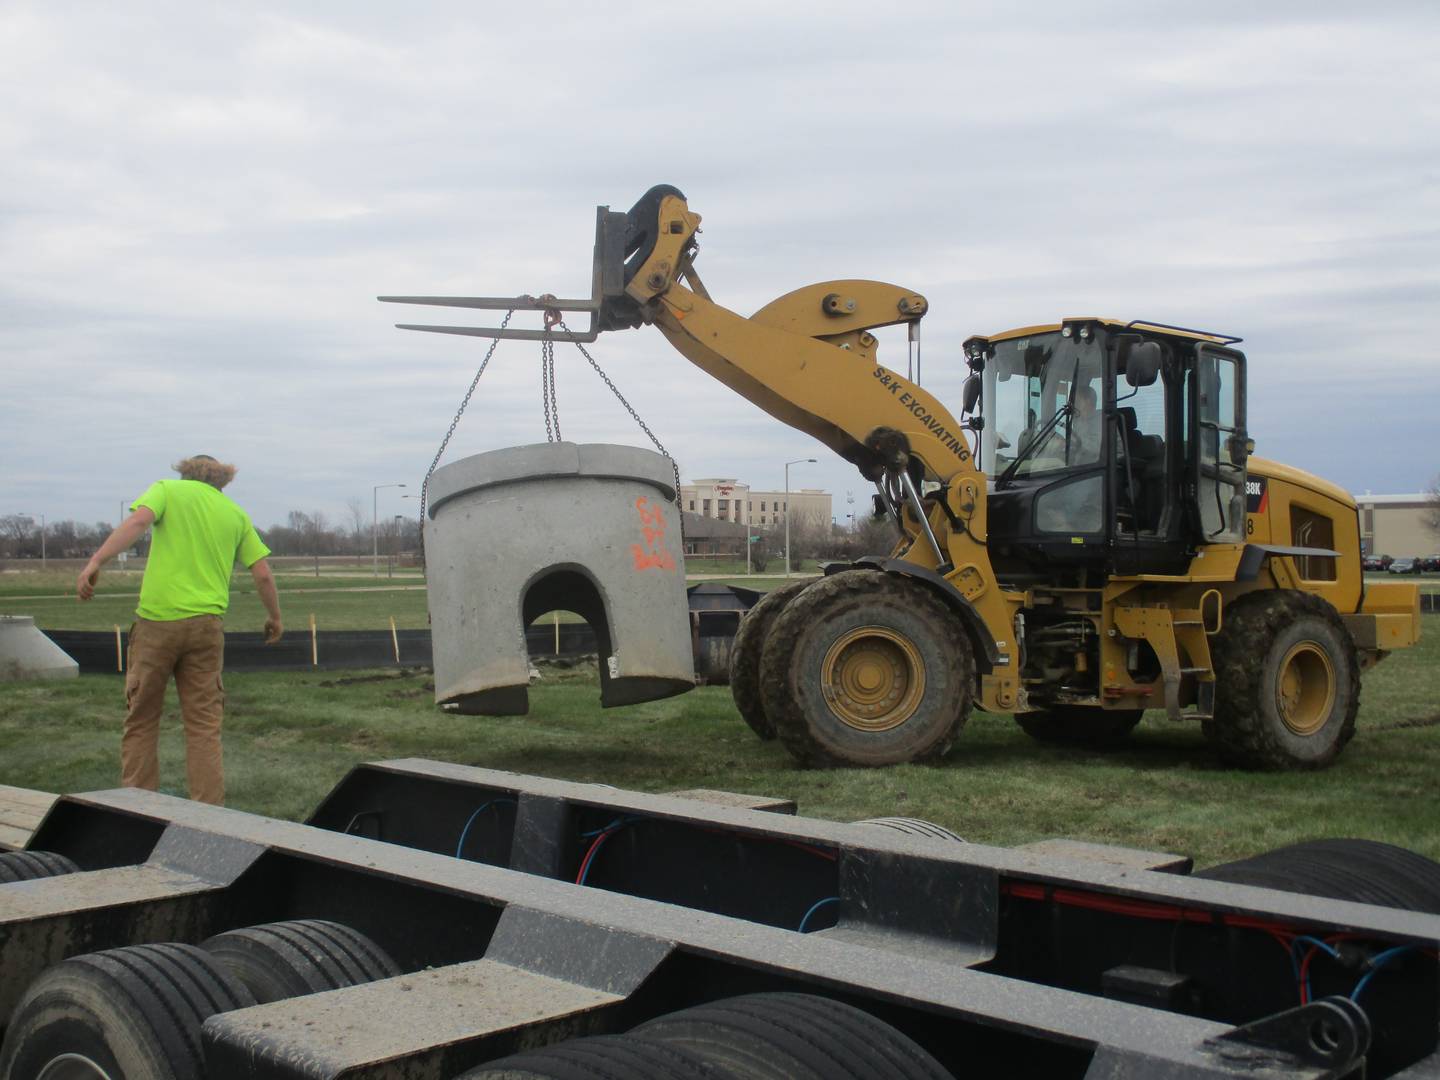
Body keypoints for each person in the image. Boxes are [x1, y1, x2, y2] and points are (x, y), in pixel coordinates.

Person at [77, 455, 282, 805]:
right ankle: (208, 815)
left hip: (157, 624)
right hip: (207, 629)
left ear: (185, 473)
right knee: (204, 727)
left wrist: (96, 561)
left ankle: (138, 809)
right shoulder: (235, 514)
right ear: (223, 481)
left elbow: (138, 522)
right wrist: (274, 617)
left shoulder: (166, 491)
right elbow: (262, 573)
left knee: (142, 720)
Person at [1069, 384, 1102, 464]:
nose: (1074, 405)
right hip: (1084, 465)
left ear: (1088, 401)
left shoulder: (1101, 419)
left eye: (1077, 401)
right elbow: (1076, 440)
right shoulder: (1079, 421)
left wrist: (1071, 444)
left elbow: (1096, 448)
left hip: (1105, 466)